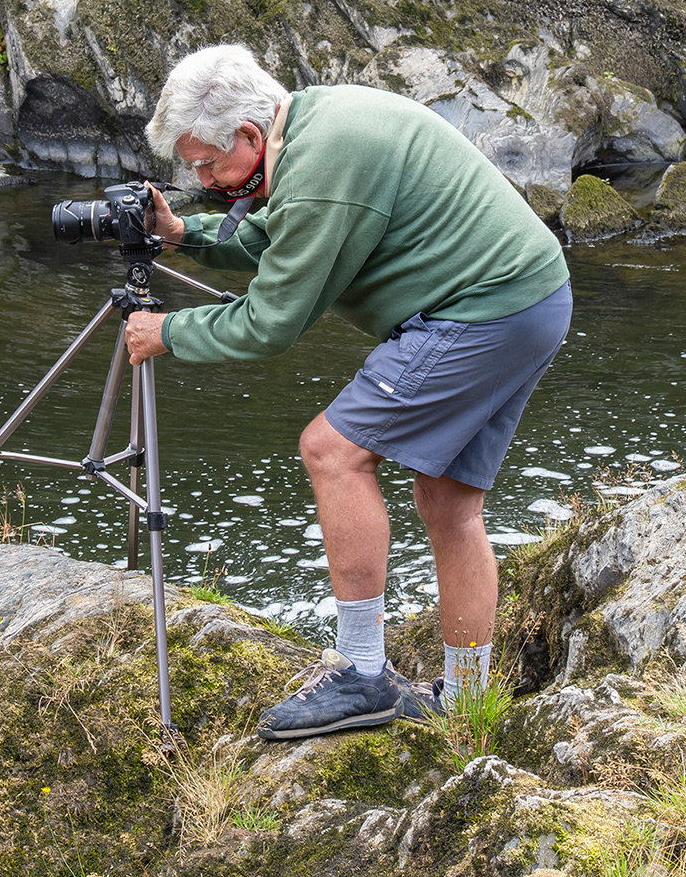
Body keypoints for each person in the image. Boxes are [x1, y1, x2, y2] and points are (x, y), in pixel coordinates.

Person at [123, 44, 572, 741]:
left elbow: (270, 322)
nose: (201, 177)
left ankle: (362, 672)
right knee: (448, 500)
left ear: (248, 135)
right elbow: (285, 237)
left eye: (206, 164)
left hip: (481, 309)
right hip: (529, 296)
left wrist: (168, 331)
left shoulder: (323, 167)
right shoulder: (314, 126)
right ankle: (468, 700)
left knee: (332, 451)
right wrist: (187, 235)